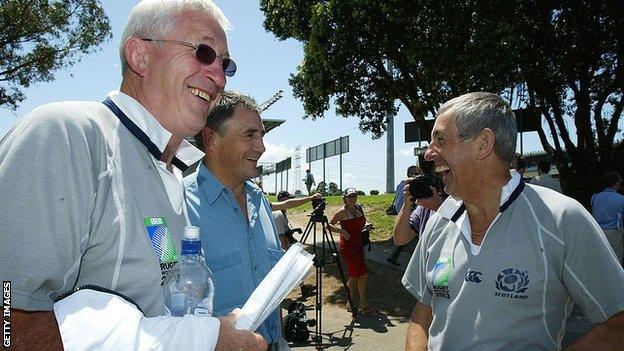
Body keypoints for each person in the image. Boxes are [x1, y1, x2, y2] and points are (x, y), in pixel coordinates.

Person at [0, 1, 269, 350]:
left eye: (224, 64)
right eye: (203, 53)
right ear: (139, 56)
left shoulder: (166, 172)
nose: (218, 77)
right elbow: (7, 325)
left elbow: (159, 297)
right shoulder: (69, 135)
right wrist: (203, 342)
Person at [402, 92, 624, 350]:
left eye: (440, 140)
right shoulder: (439, 220)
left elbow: (617, 322)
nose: (429, 153)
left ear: (483, 143)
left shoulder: (560, 218)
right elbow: (423, 310)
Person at [185, 91, 289, 350]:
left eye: (262, 135)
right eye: (249, 135)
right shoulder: (178, 207)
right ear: (211, 139)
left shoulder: (260, 201)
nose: (262, 146)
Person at [328, 187, 374, 313]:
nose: (352, 198)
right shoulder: (342, 212)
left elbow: (362, 223)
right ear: (345, 198)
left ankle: (351, 302)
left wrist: (367, 226)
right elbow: (329, 225)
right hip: (348, 246)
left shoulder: (359, 208)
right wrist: (341, 231)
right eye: (349, 196)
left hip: (359, 244)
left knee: (357, 275)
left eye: (354, 196)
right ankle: (361, 303)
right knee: (359, 273)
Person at [387, 165, 421, 265]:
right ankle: (416, 262)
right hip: (408, 211)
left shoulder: (401, 184)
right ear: (410, 174)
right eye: (416, 173)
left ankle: (393, 256)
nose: (418, 175)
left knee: (403, 238)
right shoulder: (412, 183)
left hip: (401, 212)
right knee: (411, 236)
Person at [591, 171, 624, 264]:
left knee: (602, 260)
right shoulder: (621, 199)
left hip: (598, 232)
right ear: (617, 182)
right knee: (617, 260)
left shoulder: (594, 197)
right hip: (614, 232)